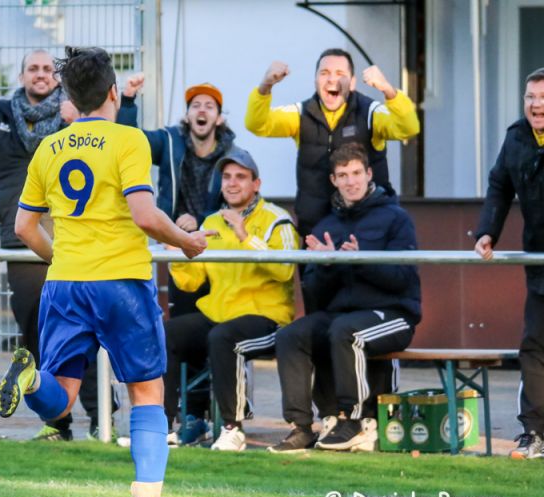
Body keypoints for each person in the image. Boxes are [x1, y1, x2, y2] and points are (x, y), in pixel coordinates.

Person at [0, 46, 212, 497]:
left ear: (69, 98)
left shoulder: (49, 147)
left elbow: (25, 227)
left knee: (61, 394)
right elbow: (144, 215)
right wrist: (186, 241)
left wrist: (61, 258)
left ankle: (29, 380)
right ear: (114, 92)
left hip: (65, 284)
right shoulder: (128, 140)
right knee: (147, 392)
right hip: (121, 284)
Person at [0, 51, 111, 441]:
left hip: (73, 238)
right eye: (33, 68)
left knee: (82, 330)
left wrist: (80, 120)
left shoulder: (75, 118)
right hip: (22, 241)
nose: (41, 74)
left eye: (48, 69)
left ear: (58, 78)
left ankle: (102, 417)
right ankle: (56, 423)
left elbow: (110, 147)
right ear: (22, 76)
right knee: (36, 329)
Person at [271, 143, 420, 453]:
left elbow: (402, 279)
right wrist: (329, 265)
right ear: (333, 180)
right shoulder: (327, 225)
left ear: (369, 174)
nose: (351, 182)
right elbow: (315, 292)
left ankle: (352, 421)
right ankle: (301, 427)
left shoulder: (396, 218)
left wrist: (359, 260)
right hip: (343, 316)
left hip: (393, 314)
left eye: (356, 173)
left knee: (345, 331)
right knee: (290, 335)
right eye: (343, 175)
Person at [165, 148, 299, 452]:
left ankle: (232, 429)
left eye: (241, 176)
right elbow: (191, 281)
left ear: (256, 184)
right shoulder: (211, 221)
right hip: (220, 314)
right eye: (226, 177)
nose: (232, 183)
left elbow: (285, 269)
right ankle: (162, 425)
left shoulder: (277, 219)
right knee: (166, 333)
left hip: (268, 317)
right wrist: (177, 255)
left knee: (223, 338)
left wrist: (244, 236)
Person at [245, 48, 420, 239]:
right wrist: (265, 85)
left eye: (340, 73)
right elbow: (257, 124)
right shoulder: (300, 114)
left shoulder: (370, 112)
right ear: (315, 81)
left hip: (368, 230)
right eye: (324, 73)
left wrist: (388, 89)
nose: (331, 79)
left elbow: (408, 129)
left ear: (352, 83)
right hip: (315, 231)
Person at [118, 77, 239, 316]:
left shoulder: (232, 154)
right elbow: (129, 141)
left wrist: (199, 219)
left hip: (217, 246)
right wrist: (129, 100)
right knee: (183, 318)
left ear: (219, 118)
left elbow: (236, 202)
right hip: (178, 246)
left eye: (209, 106)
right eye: (196, 105)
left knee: (218, 319)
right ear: (187, 116)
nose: (201, 110)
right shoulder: (170, 141)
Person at [475, 67, 544, 460]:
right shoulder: (516, 137)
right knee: (534, 347)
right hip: (539, 262)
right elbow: (499, 185)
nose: (536, 105)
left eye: (543, 98)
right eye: (530, 97)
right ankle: (534, 433)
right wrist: (488, 232)